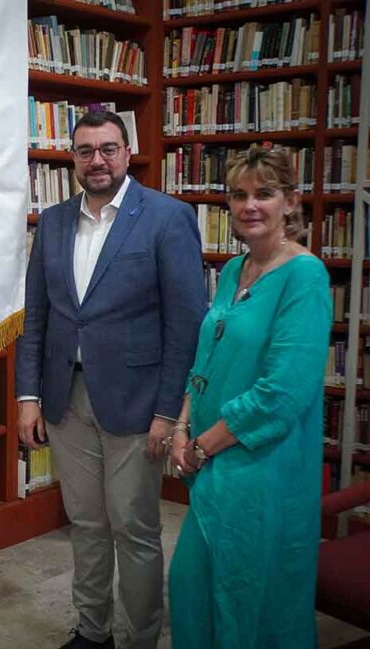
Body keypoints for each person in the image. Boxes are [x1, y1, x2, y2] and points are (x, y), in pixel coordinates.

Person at [15, 111, 207, 649]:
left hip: (138, 403)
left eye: (107, 148)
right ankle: (92, 630)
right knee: (86, 523)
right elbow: (37, 316)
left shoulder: (167, 218)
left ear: (128, 152)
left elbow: (185, 324)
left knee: (134, 528)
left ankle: (137, 637)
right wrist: (28, 395)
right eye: (84, 150)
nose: (96, 160)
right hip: (65, 398)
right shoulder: (52, 221)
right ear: (71, 157)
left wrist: (169, 412)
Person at [168, 145, 331, 648]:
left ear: (291, 202)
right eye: (238, 195)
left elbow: (282, 392)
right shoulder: (236, 269)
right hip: (215, 461)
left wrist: (202, 446)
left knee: (249, 598)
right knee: (192, 587)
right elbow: (205, 361)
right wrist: (181, 427)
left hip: (264, 466)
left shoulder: (306, 276)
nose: (249, 206)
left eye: (264, 194)